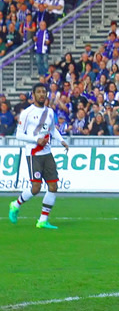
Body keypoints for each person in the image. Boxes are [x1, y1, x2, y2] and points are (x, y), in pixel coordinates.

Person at [9, 83, 69, 229]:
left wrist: (61, 140)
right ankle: (15, 204)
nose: (42, 94)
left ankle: (42, 220)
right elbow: (19, 135)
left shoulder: (49, 112)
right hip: (34, 153)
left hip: (47, 152)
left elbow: (52, 129)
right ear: (33, 94)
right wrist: (37, 140)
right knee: (36, 188)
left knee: (53, 186)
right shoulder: (26, 113)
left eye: (44, 92)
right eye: (39, 92)